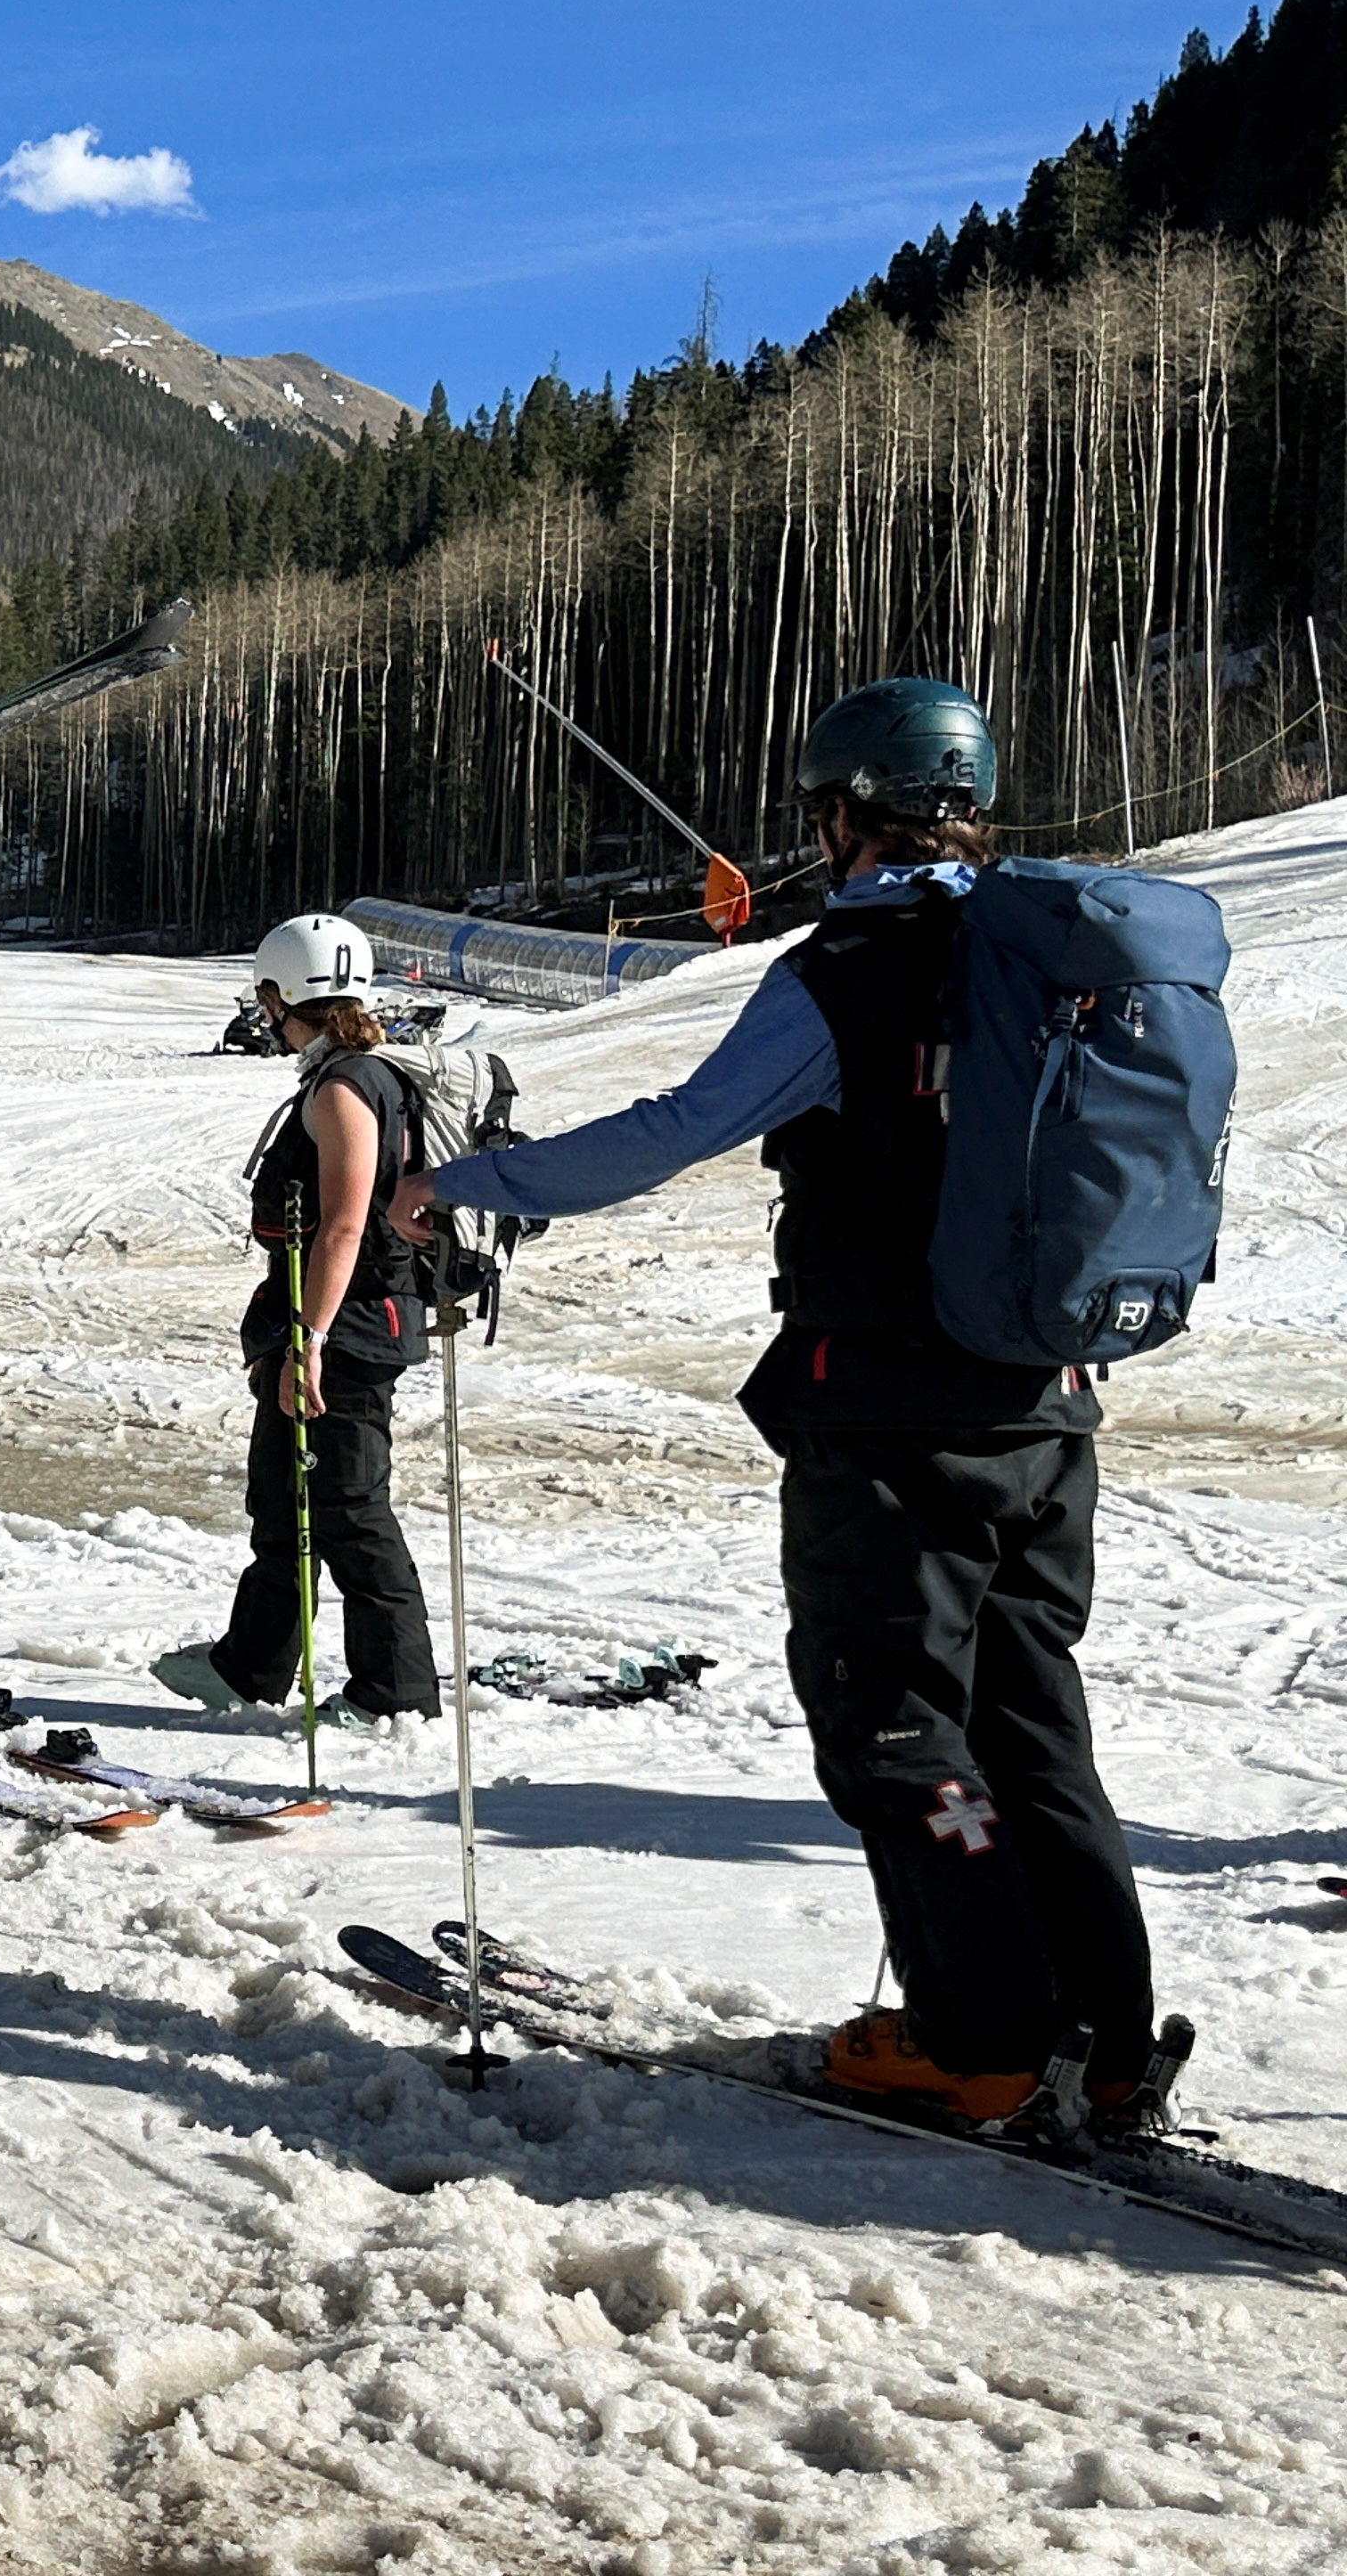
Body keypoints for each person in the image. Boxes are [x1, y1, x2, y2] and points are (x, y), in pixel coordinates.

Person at [393, 675, 1155, 2124]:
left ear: (842, 810)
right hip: (1047, 1406)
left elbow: (671, 1130)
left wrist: (463, 1181)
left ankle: (981, 2040)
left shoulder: (847, 968)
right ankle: (1104, 2039)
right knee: (1030, 1721)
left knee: (896, 1721)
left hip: (885, 1406)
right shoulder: (1057, 959)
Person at [158, 911, 444, 1730]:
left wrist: (310, 1342)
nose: (264, 1012)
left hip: (344, 1329)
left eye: (267, 998)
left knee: (351, 1509)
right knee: (283, 1498)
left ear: (287, 995)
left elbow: (347, 1225)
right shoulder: (350, 1077)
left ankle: (396, 1692)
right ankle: (247, 1667)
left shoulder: (349, 1086)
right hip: (321, 1321)